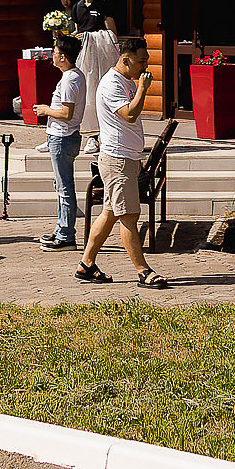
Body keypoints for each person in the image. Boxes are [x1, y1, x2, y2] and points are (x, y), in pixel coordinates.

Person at [75, 35, 168, 289]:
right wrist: (143, 89)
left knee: (109, 213)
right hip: (117, 160)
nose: (145, 65)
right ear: (125, 60)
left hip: (126, 157)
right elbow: (129, 114)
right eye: (141, 60)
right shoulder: (111, 84)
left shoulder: (125, 79)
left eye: (147, 59)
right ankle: (143, 271)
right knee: (129, 215)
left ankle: (86, 264)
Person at [34, 38, 86, 249]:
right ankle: (60, 229)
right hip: (63, 136)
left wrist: (45, 110)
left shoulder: (70, 79)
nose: (52, 55)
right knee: (61, 185)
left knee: (64, 187)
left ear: (63, 57)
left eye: (54, 52)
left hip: (63, 137)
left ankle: (66, 235)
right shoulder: (73, 76)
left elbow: (66, 112)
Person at [71, 0, 119, 156]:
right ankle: (89, 135)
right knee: (85, 94)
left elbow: (111, 33)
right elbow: (77, 31)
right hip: (83, 57)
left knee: (101, 93)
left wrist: (91, 37)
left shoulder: (104, 4)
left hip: (102, 57)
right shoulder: (77, 7)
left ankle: (102, 136)